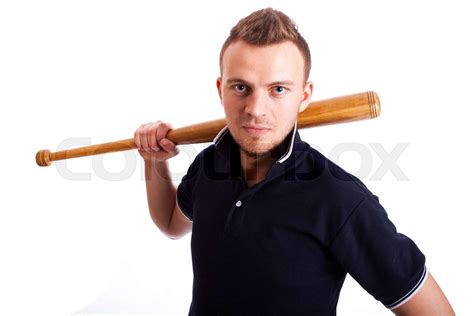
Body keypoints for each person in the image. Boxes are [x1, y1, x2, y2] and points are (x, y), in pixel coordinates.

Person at [134, 8, 454, 315]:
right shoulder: (208, 165)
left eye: (278, 89)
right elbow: (171, 223)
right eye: (241, 87)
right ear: (221, 89)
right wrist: (154, 161)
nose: (256, 109)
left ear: (304, 95)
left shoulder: (339, 198)